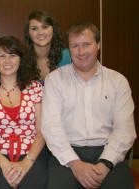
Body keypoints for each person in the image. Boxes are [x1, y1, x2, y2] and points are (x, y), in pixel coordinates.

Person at [41, 22, 136, 189]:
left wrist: (105, 164)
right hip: (66, 155)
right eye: (75, 46)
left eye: (87, 44)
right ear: (68, 50)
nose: (81, 51)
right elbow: (51, 127)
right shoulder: (55, 80)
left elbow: (125, 130)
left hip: (108, 152)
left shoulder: (118, 81)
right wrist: (76, 164)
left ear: (98, 45)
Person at [0, 36, 47, 189]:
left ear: (21, 60)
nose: (7, 61)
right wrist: (4, 164)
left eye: (13, 55)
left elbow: (41, 132)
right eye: (2, 56)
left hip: (32, 154)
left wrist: (26, 163)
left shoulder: (36, 88)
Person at [24, 10, 71, 84]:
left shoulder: (66, 56)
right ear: (28, 33)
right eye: (34, 28)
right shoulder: (22, 59)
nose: (40, 32)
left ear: (53, 29)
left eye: (45, 27)